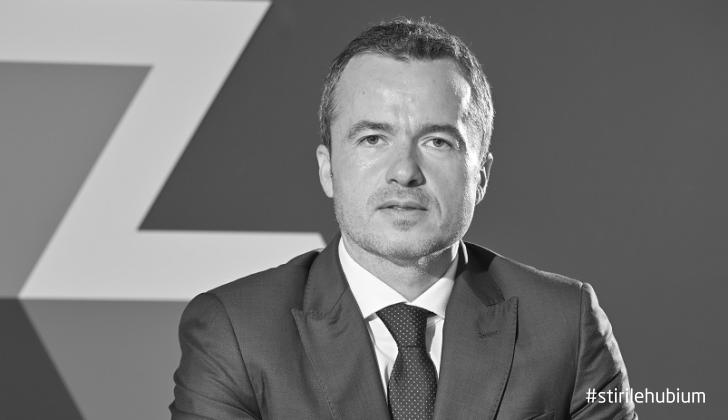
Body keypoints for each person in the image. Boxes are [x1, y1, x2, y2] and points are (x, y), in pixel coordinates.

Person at [170, 17, 637, 420]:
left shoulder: (565, 326)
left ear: (481, 176)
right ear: (328, 169)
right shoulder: (236, 332)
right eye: (373, 139)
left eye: (437, 142)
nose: (405, 172)